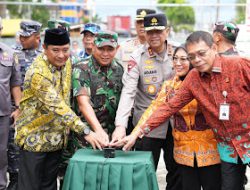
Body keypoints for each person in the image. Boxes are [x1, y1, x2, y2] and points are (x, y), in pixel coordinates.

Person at [117, 31, 250, 190]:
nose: (197, 60)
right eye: (192, 56)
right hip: (227, 147)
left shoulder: (239, 65)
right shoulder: (193, 79)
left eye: (201, 53)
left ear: (214, 48)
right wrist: (136, 134)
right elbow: (168, 107)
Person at [15, 28, 105, 190]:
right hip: (33, 142)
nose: (61, 55)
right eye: (55, 50)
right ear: (44, 47)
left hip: (56, 140)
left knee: (50, 186)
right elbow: (59, 107)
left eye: (65, 50)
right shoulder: (38, 72)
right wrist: (86, 132)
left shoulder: (68, 62)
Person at [110, 13, 181, 190]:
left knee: (177, 173)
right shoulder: (137, 57)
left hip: (176, 125)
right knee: (143, 174)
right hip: (147, 127)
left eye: (158, 31)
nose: (154, 35)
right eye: (150, 32)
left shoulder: (179, 54)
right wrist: (120, 125)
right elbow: (128, 92)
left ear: (167, 31)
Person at [7, 20, 43, 190]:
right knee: (13, 156)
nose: (21, 39)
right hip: (16, 114)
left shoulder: (47, 55)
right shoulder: (13, 54)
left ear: (37, 37)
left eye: (26, 36)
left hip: (40, 116)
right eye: (20, 35)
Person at [0, 17, 22, 190]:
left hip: (3, 114)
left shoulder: (9, 54)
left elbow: (15, 84)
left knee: (1, 154)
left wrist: (19, 107)